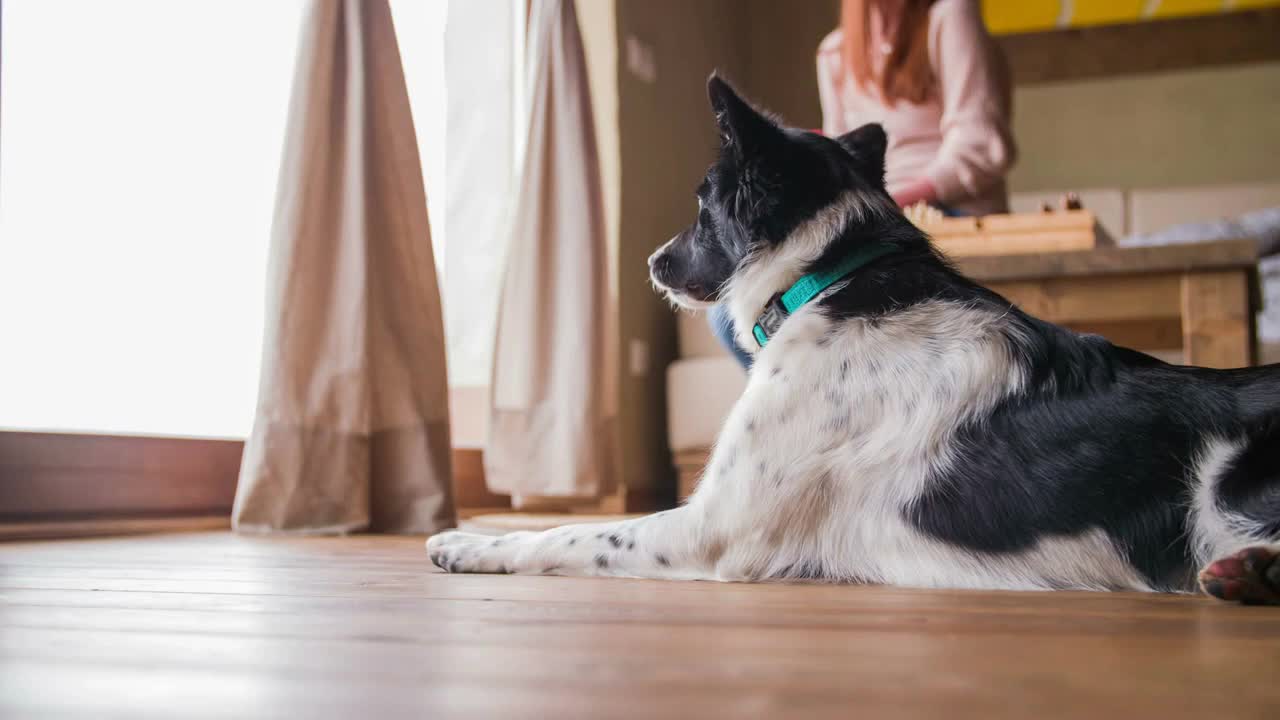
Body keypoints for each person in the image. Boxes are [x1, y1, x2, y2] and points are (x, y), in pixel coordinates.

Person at [710, 0, 1016, 369]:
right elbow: (840, 160)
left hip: (945, 210)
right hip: (873, 214)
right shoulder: (834, 52)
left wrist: (893, 198)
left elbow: (979, 143)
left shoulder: (950, 16)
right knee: (728, 318)